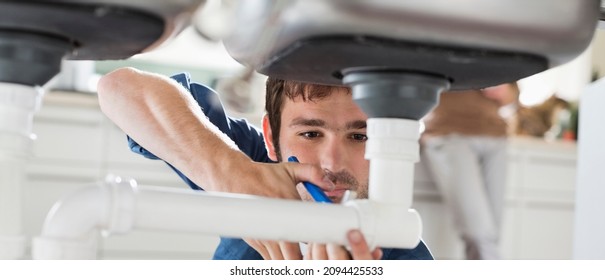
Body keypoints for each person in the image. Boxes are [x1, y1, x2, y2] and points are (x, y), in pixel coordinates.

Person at [97, 67, 433, 260]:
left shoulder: (404, 252)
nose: (332, 163)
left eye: (360, 137)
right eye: (311, 134)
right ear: (271, 137)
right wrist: (231, 171)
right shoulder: (251, 163)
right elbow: (119, 88)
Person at [420, 83, 519, 260]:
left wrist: (506, 90)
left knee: (491, 235)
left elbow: (513, 93)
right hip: (449, 132)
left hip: (496, 136)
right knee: (479, 233)